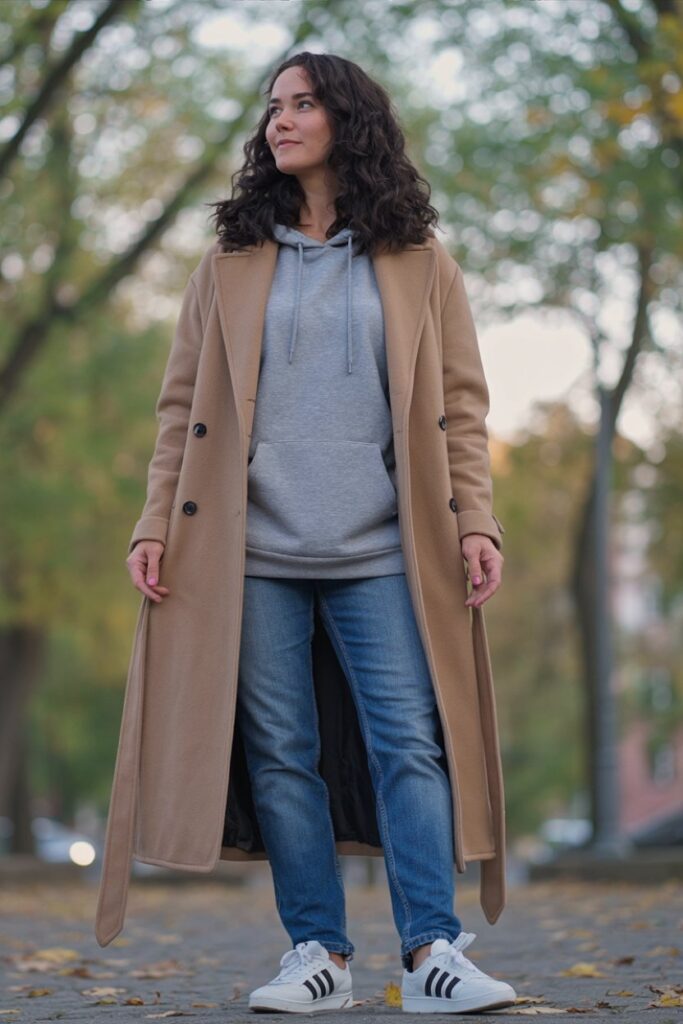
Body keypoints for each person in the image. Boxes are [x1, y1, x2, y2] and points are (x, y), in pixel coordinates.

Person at [125, 51, 514, 1015]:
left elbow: (460, 410)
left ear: (348, 119)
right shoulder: (228, 262)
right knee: (280, 754)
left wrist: (478, 521)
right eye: (273, 108)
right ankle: (319, 955)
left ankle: (431, 950)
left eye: (302, 104)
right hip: (248, 554)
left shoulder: (423, 261)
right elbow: (181, 410)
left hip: (383, 548)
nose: (280, 121)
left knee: (409, 745)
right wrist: (153, 521)